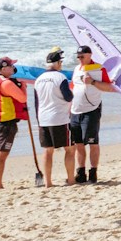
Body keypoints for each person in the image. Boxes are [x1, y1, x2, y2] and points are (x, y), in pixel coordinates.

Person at [30, 50, 74, 187]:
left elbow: (36, 103)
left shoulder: (38, 80)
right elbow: (68, 97)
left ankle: (48, 182)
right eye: (61, 62)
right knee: (69, 149)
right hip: (60, 118)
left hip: (43, 118)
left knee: (48, 151)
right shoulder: (60, 78)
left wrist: (38, 120)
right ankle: (71, 179)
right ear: (58, 63)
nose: (61, 64)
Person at [0, 56, 30, 189]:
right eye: (11, 66)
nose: (13, 68)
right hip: (6, 122)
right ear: (4, 68)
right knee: (2, 154)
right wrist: (23, 86)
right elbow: (22, 98)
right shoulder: (6, 83)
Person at [69, 45, 104, 184]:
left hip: (91, 109)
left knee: (92, 142)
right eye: (78, 56)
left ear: (89, 55)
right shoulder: (77, 68)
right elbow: (73, 86)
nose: (79, 59)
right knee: (78, 144)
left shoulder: (98, 68)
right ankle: (81, 172)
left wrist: (93, 82)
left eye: (82, 56)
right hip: (75, 110)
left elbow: (110, 87)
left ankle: (93, 172)